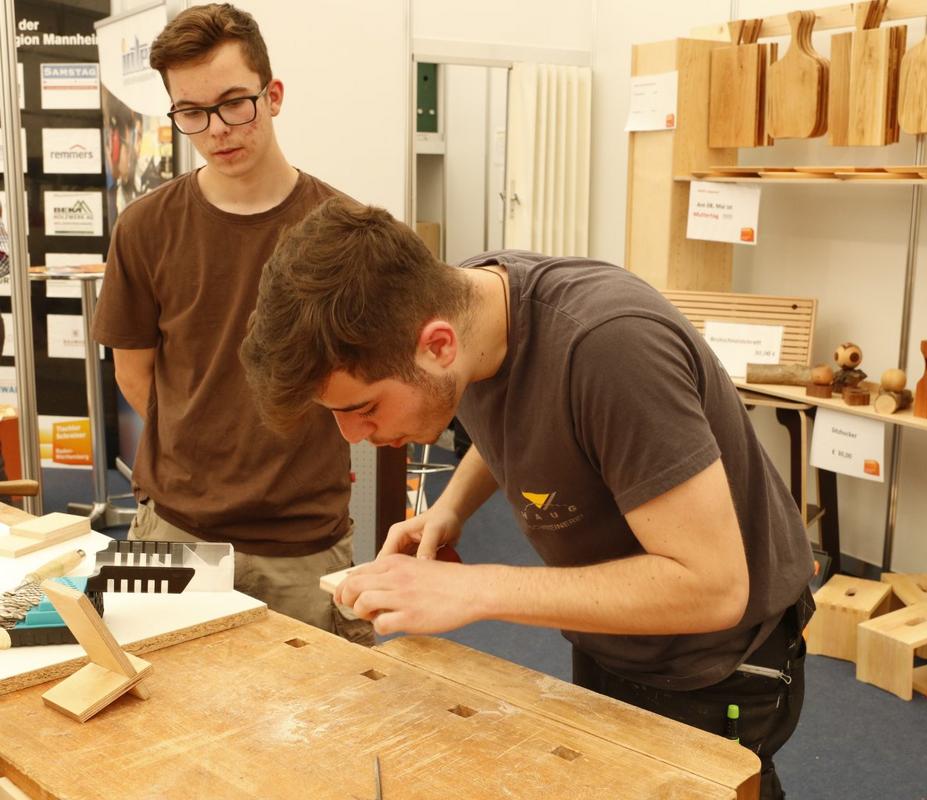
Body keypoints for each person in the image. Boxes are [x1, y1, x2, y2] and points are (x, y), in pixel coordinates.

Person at [240, 198, 816, 799]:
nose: (353, 435)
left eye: (362, 408)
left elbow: (714, 587)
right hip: (611, 634)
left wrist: (476, 589)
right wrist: (452, 506)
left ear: (437, 346)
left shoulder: (612, 350)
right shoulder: (467, 314)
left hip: (716, 662)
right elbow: (523, 412)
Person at [92, 4, 372, 644]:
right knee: (148, 721)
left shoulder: (343, 230)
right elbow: (136, 375)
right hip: (172, 528)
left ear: (272, 96)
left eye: (234, 103)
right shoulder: (145, 227)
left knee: (313, 730)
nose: (217, 128)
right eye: (191, 112)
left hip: (299, 544)